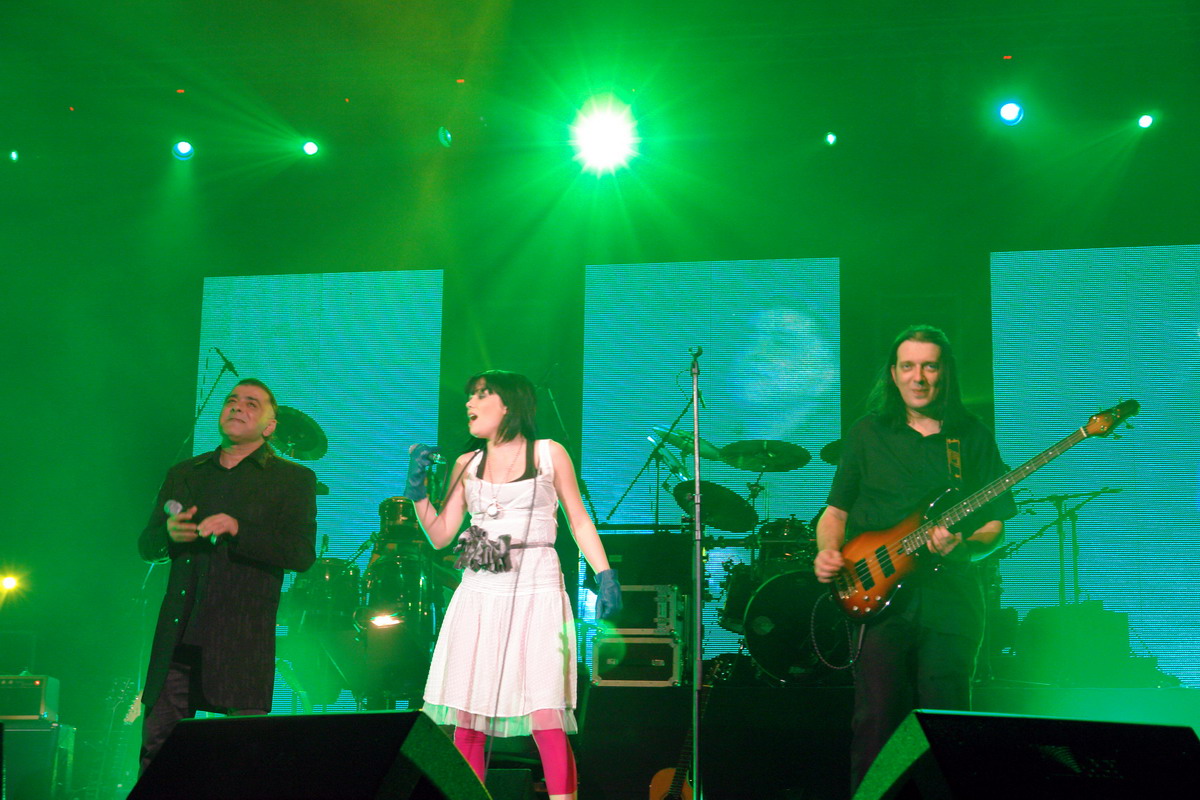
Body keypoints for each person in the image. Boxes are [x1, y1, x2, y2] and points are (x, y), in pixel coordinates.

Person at [812, 325, 1016, 792]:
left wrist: (964, 548)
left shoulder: (971, 436)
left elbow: (994, 526)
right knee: (878, 721)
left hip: (951, 601)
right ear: (893, 373)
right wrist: (827, 551)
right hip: (878, 598)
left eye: (929, 366)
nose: (918, 377)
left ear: (945, 372)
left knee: (948, 726)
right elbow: (835, 512)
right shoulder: (867, 433)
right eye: (908, 366)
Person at [404, 370, 621, 800]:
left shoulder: (548, 453)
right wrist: (417, 491)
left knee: (546, 713)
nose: (469, 403)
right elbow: (441, 535)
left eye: (480, 395)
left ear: (508, 405)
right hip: (481, 588)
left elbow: (578, 519)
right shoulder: (467, 464)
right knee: (468, 715)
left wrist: (605, 573)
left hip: (537, 582)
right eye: (469, 396)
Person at [137, 378, 317, 772]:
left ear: (270, 426)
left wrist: (238, 529)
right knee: (158, 752)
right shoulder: (186, 473)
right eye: (232, 400)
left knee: (243, 757)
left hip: (241, 639)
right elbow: (147, 545)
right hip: (179, 636)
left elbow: (301, 554)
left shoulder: (293, 480)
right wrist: (167, 535)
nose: (238, 406)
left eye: (252, 404)